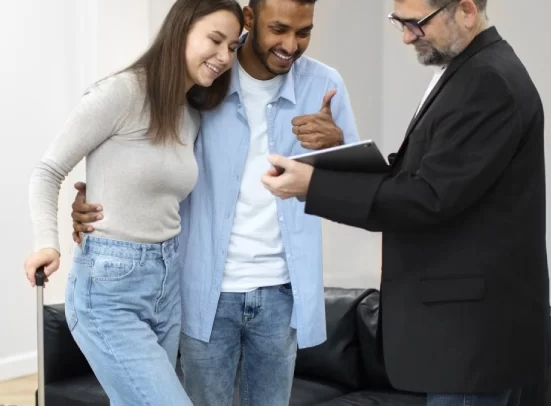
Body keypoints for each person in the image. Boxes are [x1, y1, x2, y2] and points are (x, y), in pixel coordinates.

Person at [70, 0, 360, 404]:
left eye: (304, 32)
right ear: (250, 17)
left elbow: (357, 192)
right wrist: (98, 202)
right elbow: (148, 159)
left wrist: (338, 146)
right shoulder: (204, 79)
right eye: (279, 29)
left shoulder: (325, 85)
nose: (291, 45)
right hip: (201, 292)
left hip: (281, 294)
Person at [262, 1, 549, 406]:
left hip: (471, 342)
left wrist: (314, 185)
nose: (406, 35)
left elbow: (428, 198)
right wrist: (339, 149)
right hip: (465, 341)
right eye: (399, 21)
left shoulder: (488, 81)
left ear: (465, 9)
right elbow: (419, 177)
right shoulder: (467, 71)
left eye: (416, 23)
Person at [24, 1, 244, 405]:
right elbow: (48, 171)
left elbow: (150, 188)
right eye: (215, 40)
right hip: (109, 288)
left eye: (232, 46)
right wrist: (47, 242)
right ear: (181, 30)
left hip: (166, 283)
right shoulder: (122, 93)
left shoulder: (190, 115)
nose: (223, 57)